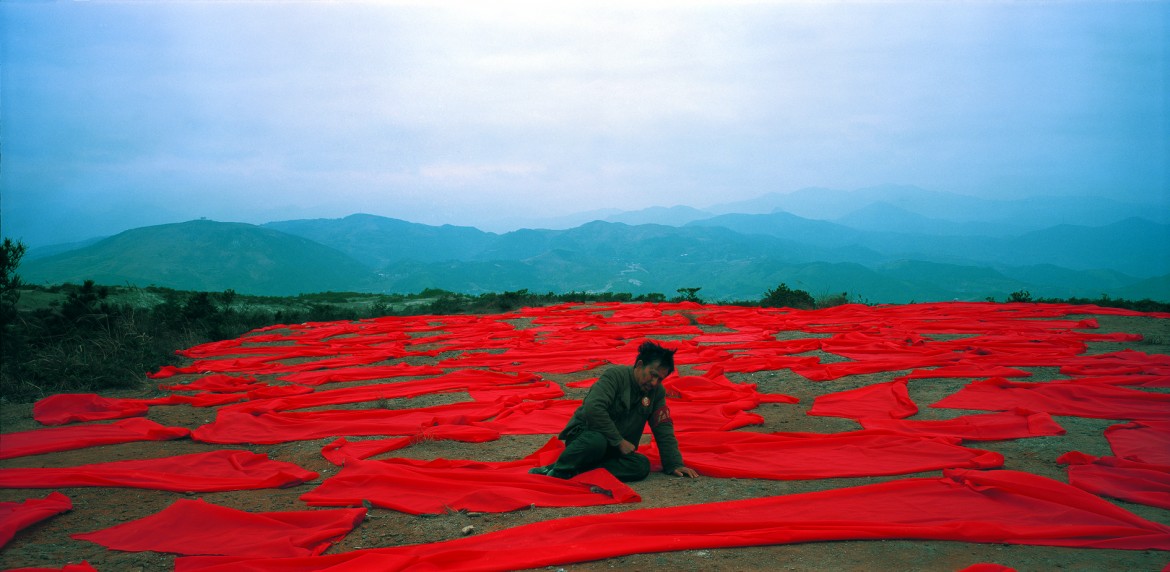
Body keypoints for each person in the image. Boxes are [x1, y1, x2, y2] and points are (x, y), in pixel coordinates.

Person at [530, 340, 699, 481]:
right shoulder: (615, 376)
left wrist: (674, 464)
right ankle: (559, 469)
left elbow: (663, 427)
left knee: (641, 466)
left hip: (616, 449)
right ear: (640, 365)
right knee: (597, 441)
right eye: (652, 374)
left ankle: (579, 471)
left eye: (660, 379)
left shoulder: (657, 392)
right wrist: (619, 441)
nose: (654, 382)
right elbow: (593, 409)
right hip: (587, 438)